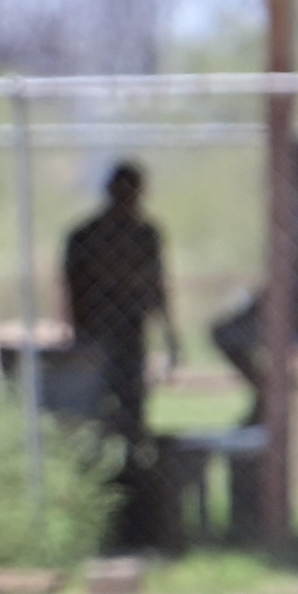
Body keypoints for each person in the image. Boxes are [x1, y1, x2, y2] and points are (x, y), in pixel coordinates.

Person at [62, 160, 178, 551]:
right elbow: (73, 290)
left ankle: (136, 514)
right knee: (93, 422)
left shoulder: (146, 235)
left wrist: (169, 335)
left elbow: (157, 286)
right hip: (96, 340)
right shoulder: (86, 236)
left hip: (130, 340)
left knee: (133, 425)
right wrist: (79, 339)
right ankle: (96, 510)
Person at [211, 140, 298, 426]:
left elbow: (296, 266)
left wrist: (264, 296)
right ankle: (270, 392)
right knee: (234, 329)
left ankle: (270, 393)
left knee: (225, 333)